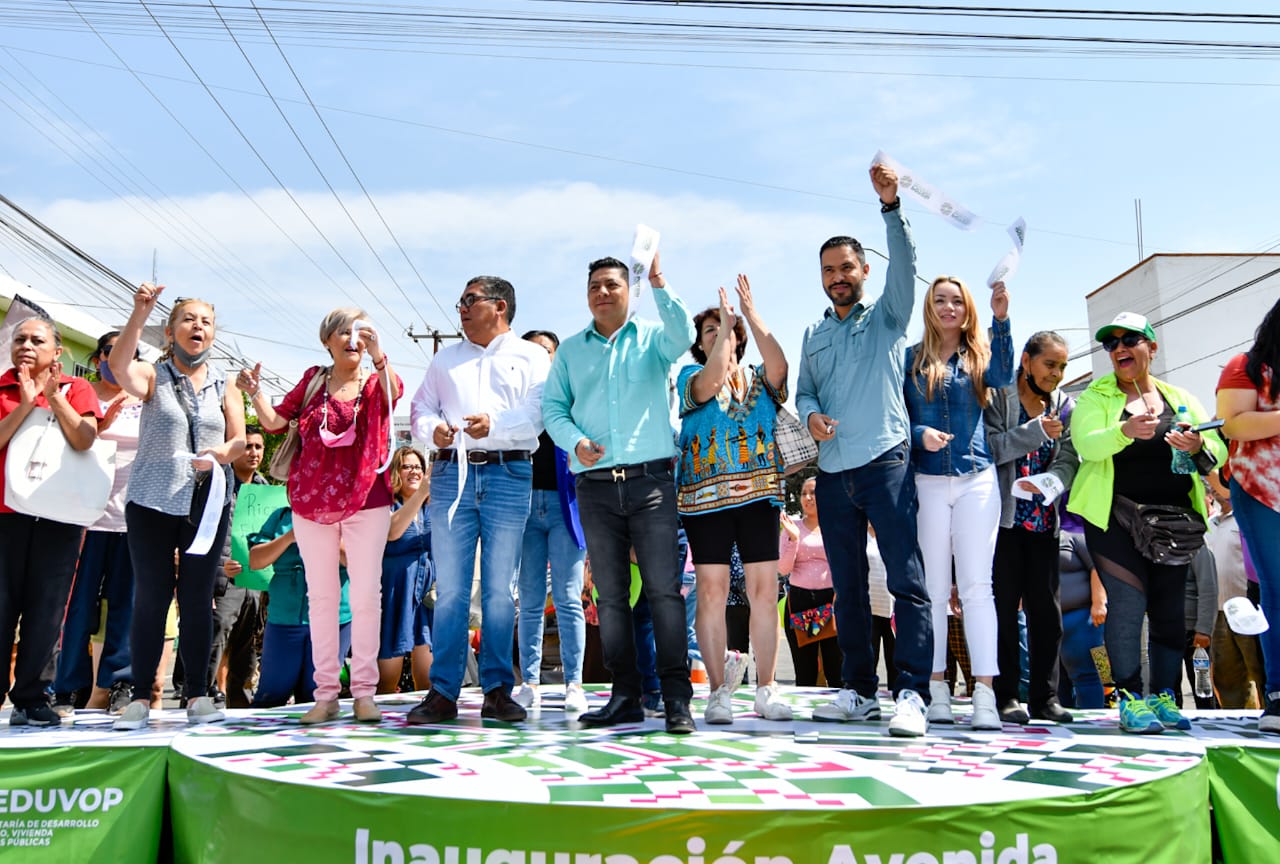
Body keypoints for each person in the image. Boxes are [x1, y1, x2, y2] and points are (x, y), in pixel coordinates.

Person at [794, 162, 933, 737]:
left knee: (905, 582)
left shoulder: (888, 316)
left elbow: (906, 265)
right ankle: (857, 691)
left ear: (864, 270)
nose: (838, 277)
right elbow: (804, 391)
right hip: (833, 474)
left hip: (886, 464)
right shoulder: (814, 334)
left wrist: (891, 207)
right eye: (829, 270)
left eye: (846, 267)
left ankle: (913, 694)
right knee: (847, 588)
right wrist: (810, 415)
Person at [542, 251, 697, 735]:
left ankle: (675, 698)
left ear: (630, 290)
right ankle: (625, 695)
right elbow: (553, 408)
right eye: (594, 287)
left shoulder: (653, 337)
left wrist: (659, 278)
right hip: (595, 488)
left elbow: (685, 336)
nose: (603, 293)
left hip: (651, 484)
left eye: (612, 284)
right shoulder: (571, 351)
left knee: (664, 593)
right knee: (609, 597)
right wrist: (575, 442)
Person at [1068, 312, 1224, 734]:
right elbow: (1086, 444)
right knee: (1128, 604)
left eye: (1130, 340)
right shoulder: (1096, 396)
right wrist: (1124, 430)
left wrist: (1197, 443)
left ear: (1151, 348)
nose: (1119, 348)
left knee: (1170, 610)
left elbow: (1217, 447)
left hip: (1174, 523)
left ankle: (1164, 696)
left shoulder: (1180, 397)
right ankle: (1129, 697)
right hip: (1114, 520)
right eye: (1111, 343)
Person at [244, 307, 401, 725]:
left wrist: (380, 354)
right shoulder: (313, 380)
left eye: (360, 332)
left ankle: (364, 692)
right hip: (311, 501)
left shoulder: (375, 380)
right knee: (322, 597)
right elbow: (275, 422)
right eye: (343, 332)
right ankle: (325, 694)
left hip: (368, 499)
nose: (353, 339)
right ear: (327, 340)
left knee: (365, 596)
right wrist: (255, 393)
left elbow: (394, 393)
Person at [406, 277, 549, 725]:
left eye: (470, 300)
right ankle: (443, 692)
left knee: (500, 591)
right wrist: (432, 431)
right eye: (461, 301)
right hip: (452, 472)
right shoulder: (445, 359)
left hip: (510, 472)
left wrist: (496, 425)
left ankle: (497, 690)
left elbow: (538, 414)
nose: (462, 309)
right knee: (450, 588)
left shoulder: (532, 356)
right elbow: (420, 409)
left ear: (499, 306)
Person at [108, 288, 246, 730]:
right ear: (170, 332)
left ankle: (198, 694)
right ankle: (138, 697)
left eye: (206, 321)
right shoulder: (154, 374)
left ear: (213, 334)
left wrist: (221, 453)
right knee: (152, 596)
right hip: (152, 499)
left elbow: (239, 439)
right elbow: (118, 368)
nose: (198, 327)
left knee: (197, 597)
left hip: (207, 502)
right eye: (188, 319)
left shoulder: (225, 383)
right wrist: (139, 314)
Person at [676, 275, 791, 724]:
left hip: (759, 495)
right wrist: (726, 327)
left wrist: (749, 315)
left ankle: (766, 687)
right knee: (712, 591)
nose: (717, 334)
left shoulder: (759, 378)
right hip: (705, 499)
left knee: (764, 591)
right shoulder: (689, 376)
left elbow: (779, 366)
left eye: (723, 329)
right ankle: (718, 690)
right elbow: (710, 383)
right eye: (708, 330)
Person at [904, 275, 1012, 730]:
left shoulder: (981, 356)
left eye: (957, 301)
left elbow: (1005, 376)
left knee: (976, 587)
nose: (949, 307)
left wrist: (1001, 320)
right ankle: (936, 689)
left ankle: (985, 693)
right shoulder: (910, 359)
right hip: (927, 481)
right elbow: (899, 418)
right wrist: (919, 435)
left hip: (976, 478)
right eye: (940, 300)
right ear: (929, 307)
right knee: (931, 589)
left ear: (968, 309)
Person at [0, 318, 100, 726]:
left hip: (60, 515)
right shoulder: (3, 387)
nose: (26, 345)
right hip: (5, 515)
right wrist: (25, 404)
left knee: (47, 609)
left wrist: (54, 398)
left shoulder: (77, 389)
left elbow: (85, 439)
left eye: (36, 340)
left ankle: (32, 697)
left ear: (57, 352)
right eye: (19, 339)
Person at [984, 330, 1080, 724]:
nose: (1056, 374)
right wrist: (1035, 432)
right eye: (1049, 364)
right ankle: (1006, 695)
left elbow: (1070, 457)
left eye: (1062, 367)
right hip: (1003, 524)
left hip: (1043, 523)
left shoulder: (1066, 406)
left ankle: (1045, 698)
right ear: (1026, 361)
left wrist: (1052, 481)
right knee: (1003, 612)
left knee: (1046, 615)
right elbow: (989, 447)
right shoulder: (998, 396)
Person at [53, 330, 141, 717]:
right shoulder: (80, 394)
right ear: (96, 358)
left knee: (126, 606)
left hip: (131, 521)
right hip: (84, 520)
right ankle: (67, 687)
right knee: (77, 607)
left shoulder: (147, 398)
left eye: (131, 353)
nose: (119, 359)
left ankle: (120, 682)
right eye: (111, 351)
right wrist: (102, 426)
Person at [513, 330, 589, 715]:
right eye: (533, 350)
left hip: (565, 507)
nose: (540, 356)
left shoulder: (571, 395)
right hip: (523, 507)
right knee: (528, 600)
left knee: (567, 598)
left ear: (556, 357)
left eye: (547, 351)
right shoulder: (513, 396)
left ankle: (574, 682)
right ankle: (529, 682)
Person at [1216, 295, 1280, 733]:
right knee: (1276, 589)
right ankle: (1277, 694)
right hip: (1262, 493)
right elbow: (1233, 423)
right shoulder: (1246, 366)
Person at [248, 505, 353, 707]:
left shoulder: (347, 515)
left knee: (317, 696)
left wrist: (325, 532)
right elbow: (255, 561)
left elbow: (355, 559)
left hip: (333, 620)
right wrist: (290, 537)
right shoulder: (281, 516)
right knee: (271, 695)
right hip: (284, 619)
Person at [208, 425, 269, 709]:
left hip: (255, 580)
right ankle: (199, 698)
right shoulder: (216, 483)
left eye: (258, 447)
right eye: (247, 446)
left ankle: (241, 709)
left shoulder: (266, 490)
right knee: (214, 640)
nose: (253, 452)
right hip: (222, 578)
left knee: (247, 650)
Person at [1204, 468, 1266, 710]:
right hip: (1219, 612)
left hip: (1249, 608)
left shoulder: (1246, 519)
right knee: (1226, 676)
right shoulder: (1209, 525)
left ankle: (1268, 713)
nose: (1216, 489)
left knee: (1260, 670)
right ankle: (1237, 719)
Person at [378, 445, 433, 694]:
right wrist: (420, 493)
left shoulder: (431, 508)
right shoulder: (385, 505)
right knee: (386, 681)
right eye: (407, 466)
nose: (414, 471)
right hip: (395, 594)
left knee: (429, 681)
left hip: (427, 597)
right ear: (395, 472)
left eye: (419, 467)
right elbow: (392, 532)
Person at [778, 476, 842, 687]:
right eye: (804, 493)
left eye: (813, 492)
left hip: (831, 601)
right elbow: (783, 569)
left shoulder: (835, 526)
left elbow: (844, 563)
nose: (808, 497)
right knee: (805, 672)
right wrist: (794, 539)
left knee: (836, 670)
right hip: (800, 601)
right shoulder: (791, 527)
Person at [1056, 529, 1107, 709]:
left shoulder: (1077, 535)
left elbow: (1098, 567)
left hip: (1084, 618)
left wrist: (1099, 603)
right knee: (1056, 679)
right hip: (1050, 620)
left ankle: (1096, 712)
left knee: (1089, 674)